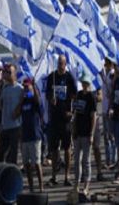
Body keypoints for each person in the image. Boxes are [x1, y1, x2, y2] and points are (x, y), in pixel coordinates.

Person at [46, 55, 77, 185]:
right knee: (54, 149)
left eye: (62, 63)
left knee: (67, 148)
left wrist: (72, 112)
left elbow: (75, 96)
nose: (60, 65)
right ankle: (54, 176)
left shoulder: (69, 78)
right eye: (58, 63)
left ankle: (66, 177)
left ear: (65, 64)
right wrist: (50, 98)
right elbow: (47, 93)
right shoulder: (51, 77)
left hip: (65, 118)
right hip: (54, 118)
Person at [72, 71, 97, 195]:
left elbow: (93, 116)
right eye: (83, 83)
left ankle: (87, 185)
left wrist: (91, 134)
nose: (84, 85)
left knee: (86, 161)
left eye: (86, 83)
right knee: (77, 160)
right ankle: (76, 183)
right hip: (78, 132)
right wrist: (74, 130)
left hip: (87, 133)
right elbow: (76, 114)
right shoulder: (79, 95)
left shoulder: (91, 97)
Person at [19, 77, 44, 191]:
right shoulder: (24, 101)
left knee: (36, 163)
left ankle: (41, 186)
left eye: (26, 86)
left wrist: (33, 87)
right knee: (26, 164)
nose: (25, 88)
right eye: (24, 86)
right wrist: (21, 98)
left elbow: (38, 103)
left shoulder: (34, 100)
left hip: (35, 136)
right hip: (25, 136)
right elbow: (17, 113)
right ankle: (31, 187)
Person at [0, 63, 23, 164]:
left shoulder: (19, 89)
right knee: (1, 153)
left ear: (14, 74)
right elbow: (0, 105)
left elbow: (23, 104)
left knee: (12, 154)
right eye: (5, 72)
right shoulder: (5, 88)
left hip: (15, 126)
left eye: (9, 72)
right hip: (5, 125)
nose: (6, 74)